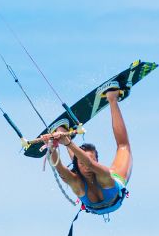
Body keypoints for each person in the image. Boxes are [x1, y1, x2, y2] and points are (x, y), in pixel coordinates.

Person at [43, 85, 131, 216]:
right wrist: (53, 147)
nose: (87, 166)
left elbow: (88, 163)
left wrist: (64, 142)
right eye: (82, 163)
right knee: (124, 146)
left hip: (113, 193)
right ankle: (114, 96)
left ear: (96, 161)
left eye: (91, 159)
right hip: (102, 204)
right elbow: (59, 167)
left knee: (123, 146)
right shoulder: (76, 182)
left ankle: (112, 99)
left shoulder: (105, 175)